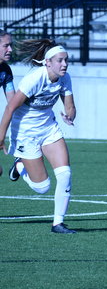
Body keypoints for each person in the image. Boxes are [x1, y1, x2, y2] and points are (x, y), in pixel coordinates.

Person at [0, 39, 77, 233]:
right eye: (60, 60)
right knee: (42, 187)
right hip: (26, 132)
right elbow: (10, 108)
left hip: (49, 129)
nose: (65, 64)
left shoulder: (65, 78)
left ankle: (58, 223)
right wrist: (1, 137)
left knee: (65, 174)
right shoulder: (34, 79)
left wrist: (69, 116)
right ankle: (19, 165)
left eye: (66, 60)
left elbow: (70, 107)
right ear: (48, 62)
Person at [0, 30, 15, 102]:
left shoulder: (5, 69)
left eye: (10, 45)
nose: (10, 49)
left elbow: (12, 102)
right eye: (6, 46)